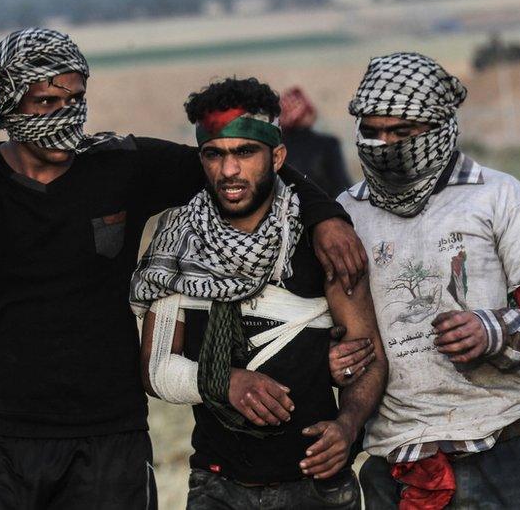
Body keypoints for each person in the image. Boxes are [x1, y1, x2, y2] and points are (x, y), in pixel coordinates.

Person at [0, 28, 368, 509]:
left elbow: (238, 166)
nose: (65, 115)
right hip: (5, 436)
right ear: (8, 102)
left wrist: (325, 217)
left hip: (110, 437)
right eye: (44, 102)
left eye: (76, 99)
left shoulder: (120, 165)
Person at [337, 52, 520, 509]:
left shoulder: (498, 196)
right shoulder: (346, 214)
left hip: (504, 444)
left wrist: (493, 329)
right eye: (373, 131)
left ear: (441, 126)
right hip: (399, 455)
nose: (384, 144)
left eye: (402, 132)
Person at [130, 77, 388, 509]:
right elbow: (155, 370)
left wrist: (347, 427)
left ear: (277, 156)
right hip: (218, 483)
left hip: (316, 484)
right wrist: (224, 381)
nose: (229, 171)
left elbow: (368, 357)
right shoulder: (179, 242)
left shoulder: (323, 241)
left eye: (245, 153)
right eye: (214, 155)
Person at [279, 87, 353, 197]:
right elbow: (341, 187)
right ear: (304, 114)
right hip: (322, 211)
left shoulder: (275, 147)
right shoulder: (327, 145)